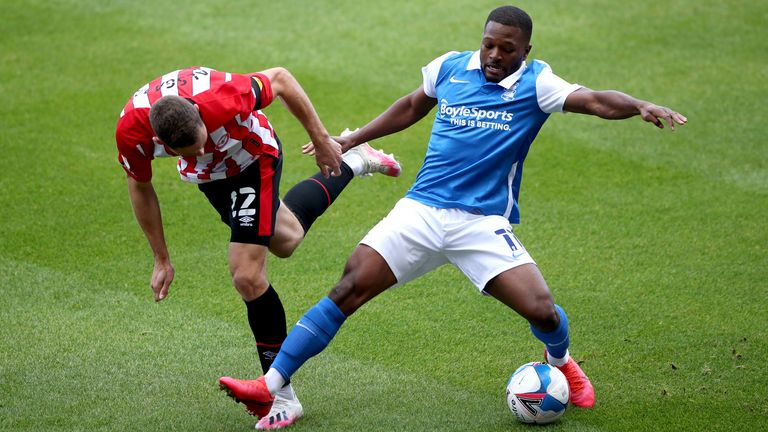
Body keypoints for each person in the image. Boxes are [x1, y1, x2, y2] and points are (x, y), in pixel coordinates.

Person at [218, 5, 688, 428]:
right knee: (348, 287)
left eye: (508, 48)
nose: (495, 55)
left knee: (541, 309)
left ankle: (562, 361)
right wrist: (351, 139)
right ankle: (271, 384)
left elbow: (595, 100)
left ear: (526, 49)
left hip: (480, 223)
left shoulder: (538, 82)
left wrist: (638, 106)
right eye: (489, 44)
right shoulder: (449, 68)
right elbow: (409, 107)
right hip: (420, 211)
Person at [115, 66, 402, 429]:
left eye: (203, 139)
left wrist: (322, 140)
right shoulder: (131, 133)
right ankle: (357, 159)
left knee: (247, 276)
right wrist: (161, 258)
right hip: (212, 177)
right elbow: (139, 187)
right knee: (287, 239)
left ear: (199, 113)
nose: (203, 148)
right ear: (166, 146)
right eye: (192, 149)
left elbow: (281, 78)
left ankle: (280, 397)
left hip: (253, 155)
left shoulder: (222, 96)